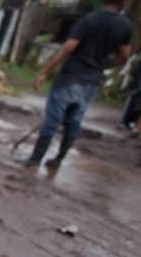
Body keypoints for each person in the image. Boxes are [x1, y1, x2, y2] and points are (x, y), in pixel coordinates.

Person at [27, 0, 132, 169]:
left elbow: (69, 47)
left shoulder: (89, 19)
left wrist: (45, 72)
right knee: (75, 120)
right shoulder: (125, 25)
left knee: (53, 120)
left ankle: (34, 160)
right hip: (91, 81)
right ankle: (58, 159)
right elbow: (125, 55)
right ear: (123, 3)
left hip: (70, 77)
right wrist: (106, 65)